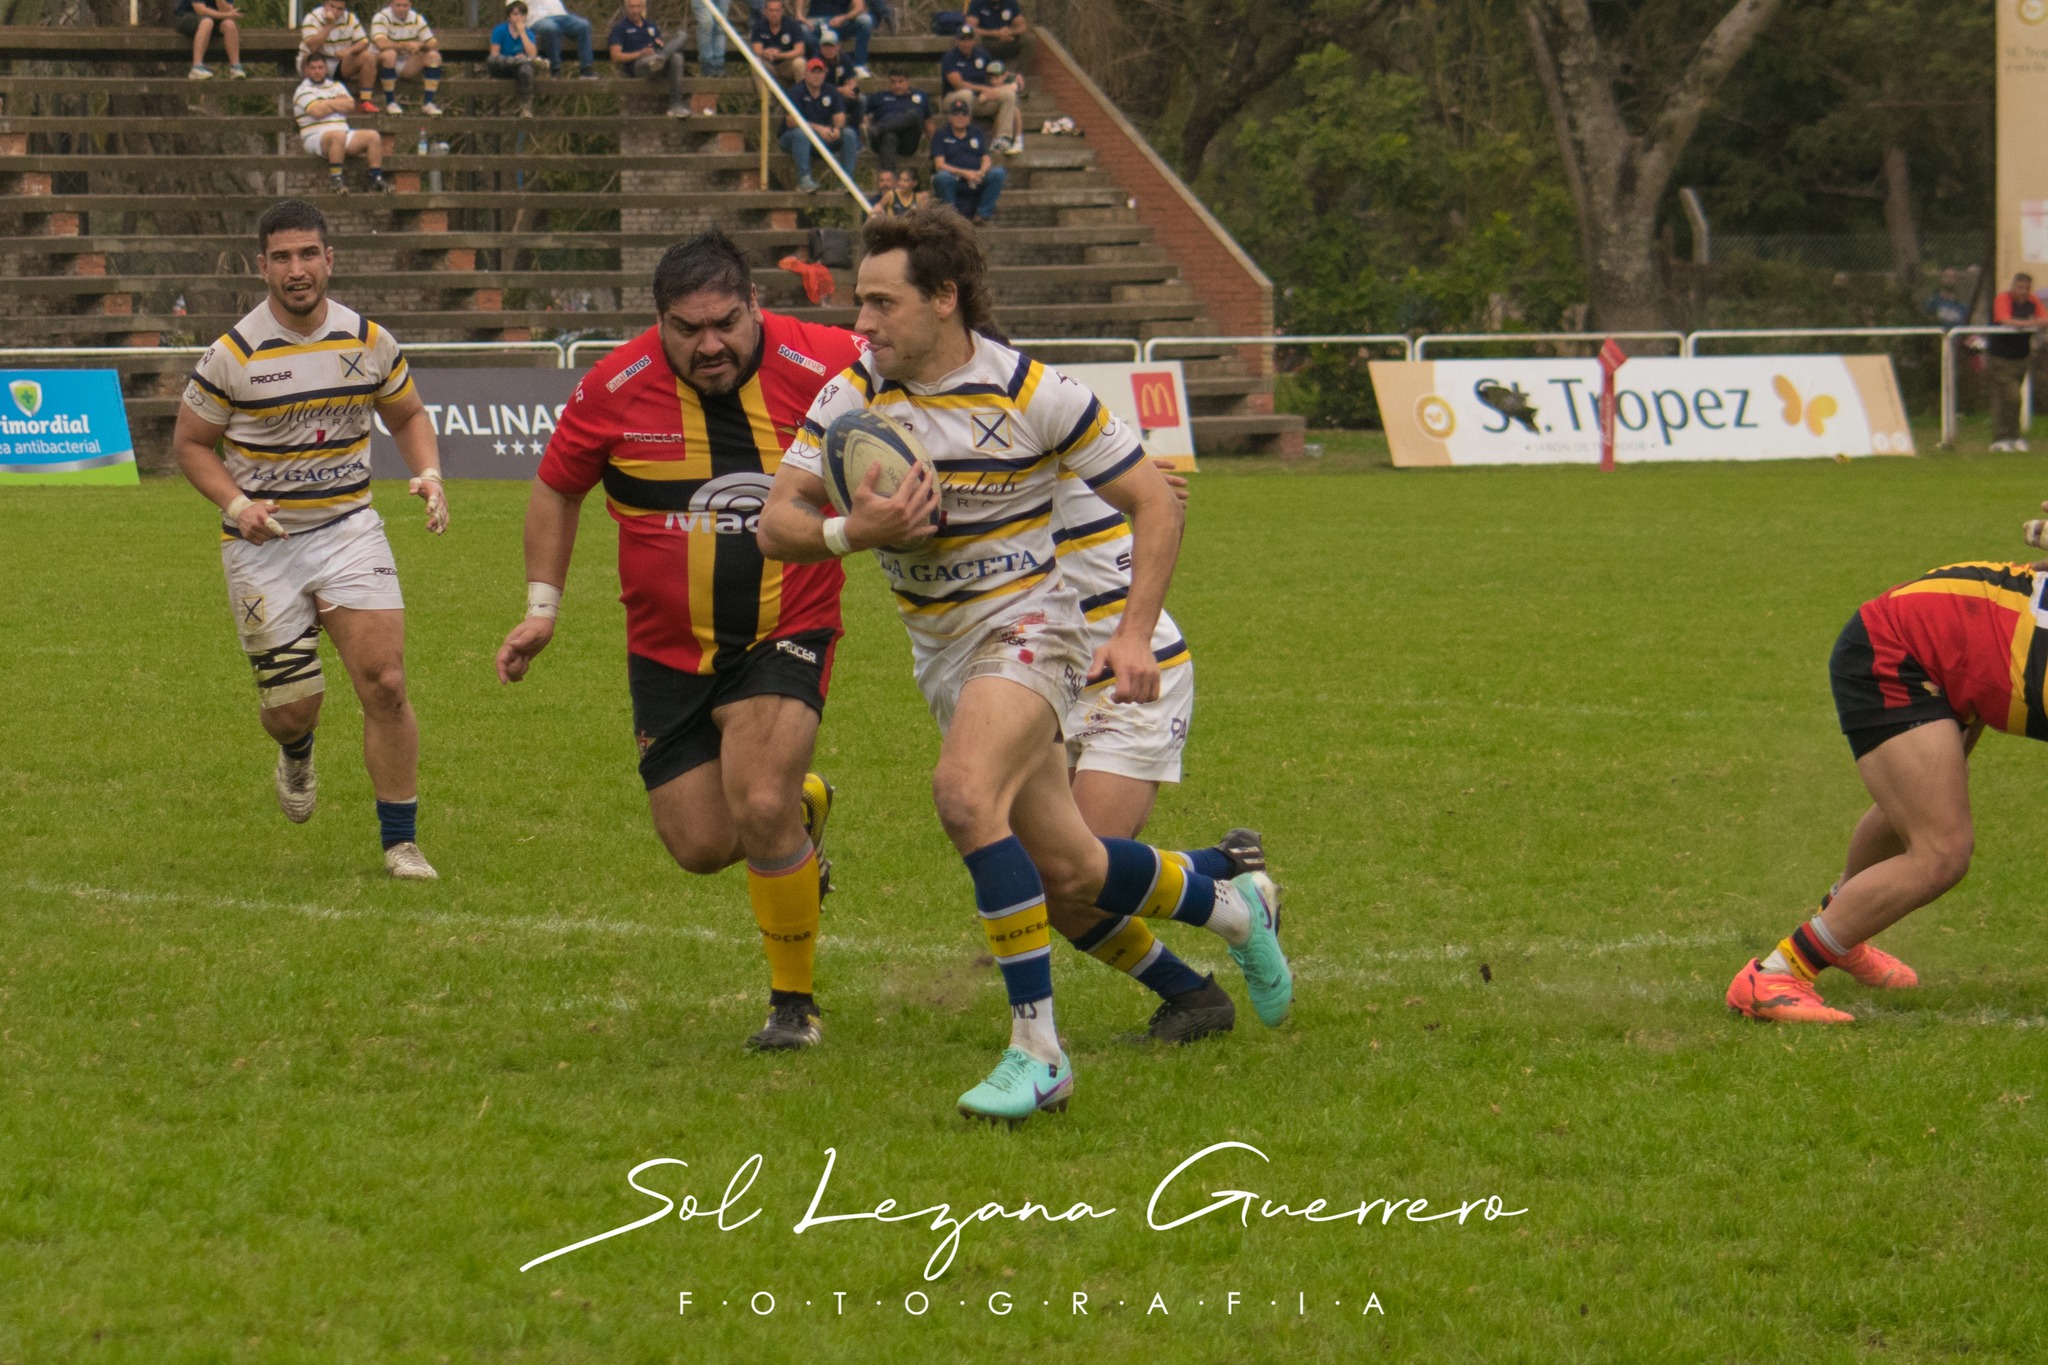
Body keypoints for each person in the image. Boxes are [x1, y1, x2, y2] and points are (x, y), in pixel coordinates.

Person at [758, 206, 1292, 1123]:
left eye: (882, 303)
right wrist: (858, 530)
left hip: (1032, 625)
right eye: (860, 303)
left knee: (965, 795)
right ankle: (1235, 907)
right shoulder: (852, 393)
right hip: (944, 652)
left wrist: (1132, 632)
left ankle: (1037, 1050)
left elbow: (1157, 502)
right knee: (1073, 869)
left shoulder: (1034, 391)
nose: (864, 323)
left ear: (945, 298)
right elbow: (776, 522)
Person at [494, 229, 865, 1053]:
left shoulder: (834, 361)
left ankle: (792, 1006)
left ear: (754, 305)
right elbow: (557, 491)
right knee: (700, 845)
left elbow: (952, 369)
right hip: (666, 650)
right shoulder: (614, 384)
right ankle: (804, 814)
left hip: (786, 626)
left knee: (760, 802)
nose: (709, 345)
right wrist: (542, 608)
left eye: (726, 323)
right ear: (658, 321)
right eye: (686, 328)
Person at [173, 199, 449, 882]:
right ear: (261, 265)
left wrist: (428, 472)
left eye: (307, 254)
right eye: (282, 257)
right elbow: (191, 444)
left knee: (385, 681)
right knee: (293, 706)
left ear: (330, 260)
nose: (296, 270)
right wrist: (237, 504)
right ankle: (296, 748)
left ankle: (400, 841)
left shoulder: (368, 340)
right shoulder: (231, 354)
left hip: (350, 528)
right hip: (263, 545)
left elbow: (407, 412)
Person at [1725, 541, 2048, 1022]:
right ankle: (1775, 975)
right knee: (1941, 851)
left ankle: (1841, 931)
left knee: (1919, 811)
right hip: (1899, 647)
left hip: (1950, 641)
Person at [1047, 463, 1272, 1043]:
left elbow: (1158, 501)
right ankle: (1222, 878)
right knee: (1053, 880)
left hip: (1133, 674)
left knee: (1075, 877)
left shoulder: (1029, 421)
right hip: (1043, 677)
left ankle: (1226, 912)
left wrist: (1138, 479)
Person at [292, 51, 387, 193]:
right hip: (316, 137)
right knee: (338, 135)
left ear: (326, 69)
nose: (317, 71)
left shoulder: (336, 85)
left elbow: (350, 105)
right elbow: (317, 112)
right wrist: (336, 102)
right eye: (313, 68)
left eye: (320, 67)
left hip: (343, 133)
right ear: (306, 71)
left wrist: (325, 103)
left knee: (373, 136)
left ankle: (376, 178)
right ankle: (336, 179)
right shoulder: (302, 91)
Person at [939, 26, 1023, 154]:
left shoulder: (982, 55)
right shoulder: (950, 57)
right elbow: (958, 84)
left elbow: (996, 71)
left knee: (1009, 95)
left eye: (969, 39)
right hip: (954, 99)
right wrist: (983, 89)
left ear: (974, 41)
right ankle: (966, 138)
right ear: (957, 41)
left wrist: (1012, 77)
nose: (966, 43)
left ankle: (1002, 139)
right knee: (966, 94)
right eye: (962, 40)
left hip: (979, 99)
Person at [782, 57, 859, 194]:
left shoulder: (830, 90)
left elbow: (839, 116)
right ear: (806, 74)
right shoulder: (796, 91)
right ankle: (804, 179)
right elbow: (790, 121)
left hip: (822, 138)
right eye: (813, 72)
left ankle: (846, 182)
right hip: (793, 138)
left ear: (824, 74)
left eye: (820, 72)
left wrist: (836, 129)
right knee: (801, 134)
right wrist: (818, 129)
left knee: (849, 134)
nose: (817, 76)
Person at [1988, 272, 2045, 452]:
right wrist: (2029, 323)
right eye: (2020, 287)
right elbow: (2004, 320)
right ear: (2013, 286)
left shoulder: (2032, 301)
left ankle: (2005, 438)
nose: (2023, 292)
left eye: (2026, 288)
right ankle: (2008, 436)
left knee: (2005, 399)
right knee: (2013, 397)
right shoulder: (2003, 299)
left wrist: (2026, 323)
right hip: (2001, 357)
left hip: (2021, 358)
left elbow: (2045, 319)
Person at [609, 0, 689, 117]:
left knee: (680, 43)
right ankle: (661, 59)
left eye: (638, 6)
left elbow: (658, 41)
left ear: (643, 8)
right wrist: (639, 53)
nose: (635, 10)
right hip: (639, 65)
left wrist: (660, 45)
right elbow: (615, 57)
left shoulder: (650, 25)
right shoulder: (620, 28)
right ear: (626, 8)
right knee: (668, 57)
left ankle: (676, 105)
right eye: (632, 7)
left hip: (657, 60)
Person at [930, 99, 1004, 224]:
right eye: (956, 114)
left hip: (976, 178)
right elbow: (939, 164)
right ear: (950, 117)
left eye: (963, 114)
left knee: (998, 173)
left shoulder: (976, 132)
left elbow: (986, 158)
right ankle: (953, 218)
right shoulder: (941, 134)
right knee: (942, 177)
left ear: (969, 118)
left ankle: (982, 215)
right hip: (954, 178)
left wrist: (981, 172)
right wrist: (964, 173)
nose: (960, 117)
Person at [298, 0, 378, 111]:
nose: (335, 11)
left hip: (338, 62)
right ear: (325, 4)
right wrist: (329, 26)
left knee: (368, 57)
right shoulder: (312, 18)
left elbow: (363, 42)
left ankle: (365, 101)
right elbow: (313, 47)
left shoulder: (350, 18)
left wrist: (349, 50)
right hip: (314, 60)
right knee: (313, 60)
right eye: (332, 6)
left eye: (339, 9)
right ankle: (315, 102)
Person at [370, 0, 442, 117]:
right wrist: (406, 45)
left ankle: (428, 103)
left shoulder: (417, 18)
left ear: (410, 5)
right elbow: (381, 44)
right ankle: (390, 102)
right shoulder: (381, 17)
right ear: (391, 5)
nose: (401, 8)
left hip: (405, 63)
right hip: (380, 64)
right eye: (398, 5)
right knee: (390, 54)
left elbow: (433, 43)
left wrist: (421, 45)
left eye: (405, 5)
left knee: (434, 56)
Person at [864, 67, 929, 173]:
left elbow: (928, 122)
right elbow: (862, 113)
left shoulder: (920, 96)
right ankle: (889, 178)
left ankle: (880, 129)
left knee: (913, 115)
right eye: (893, 82)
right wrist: (864, 120)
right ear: (888, 82)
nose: (897, 85)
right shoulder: (878, 97)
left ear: (908, 81)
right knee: (890, 136)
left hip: (907, 140)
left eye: (900, 81)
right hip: (882, 140)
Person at [521, 0, 598, 79]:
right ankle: (555, 71)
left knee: (584, 25)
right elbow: (513, 7)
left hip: (561, 16)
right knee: (552, 28)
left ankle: (586, 69)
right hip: (537, 19)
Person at [489, 1, 541, 115]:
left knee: (526, 68)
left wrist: (522, 33)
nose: (519, 18)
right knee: (493, 60)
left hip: (518, 69)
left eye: (522, 14)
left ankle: (525, 108)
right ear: (509, 17)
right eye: (515, 14)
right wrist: (516, 60)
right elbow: (494, 54)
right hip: (501, 67)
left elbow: (532, 55)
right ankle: (519, 62)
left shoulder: (528, 33)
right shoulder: (499, 30)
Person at [173, 0, 246, 80]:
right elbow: (201, 10)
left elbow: (229, 13)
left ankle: (235, 67)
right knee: (207, 22)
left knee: (229, 24)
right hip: (187, 16)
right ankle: (196, 67)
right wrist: (227, 14)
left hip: (213, 19)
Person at [800, 0, 871, 77]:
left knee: (865, 20)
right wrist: (799, 15)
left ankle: (859, 66)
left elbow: (859, 7)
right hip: (816, 21)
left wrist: (844, 18)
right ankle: (819, 64)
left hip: (841, 22)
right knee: (803, 29)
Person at [749, 0, 807, 84]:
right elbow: (757, 50)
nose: (774, 14)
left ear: (782, 11)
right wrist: (765, 53)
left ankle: (801, 95)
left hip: (787, 64)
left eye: (777, 10)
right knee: (756, 63)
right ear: (765, 11)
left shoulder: (792, 25)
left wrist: (780, 55)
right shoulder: (759, 26)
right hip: (768, 63)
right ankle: (764, 97)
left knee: (800, 63)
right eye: (771, 10)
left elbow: (800, 50)